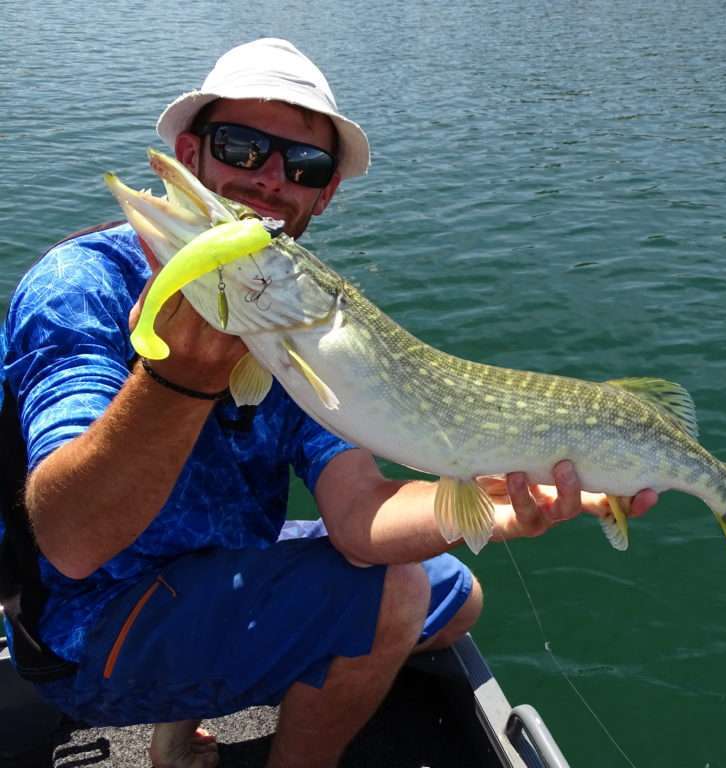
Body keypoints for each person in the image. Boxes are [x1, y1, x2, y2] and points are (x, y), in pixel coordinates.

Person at [0, 38, 658, 768]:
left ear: (325, 193)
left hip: (211, 574)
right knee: (395, 600)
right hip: (87, 632)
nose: (270, 180)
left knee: (455, 598)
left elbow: (356, 517)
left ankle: (177, 730)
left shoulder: (301, 315)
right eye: (242, 147)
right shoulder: (80, 287)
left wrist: (494, 508)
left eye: (304, 165)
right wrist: (181, 379)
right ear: (190, 153)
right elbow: (69, 539)